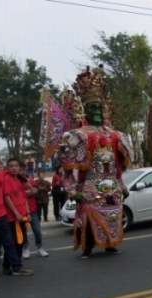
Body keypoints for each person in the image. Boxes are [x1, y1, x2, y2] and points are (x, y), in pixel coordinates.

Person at [57, 66, 131, 259]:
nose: (97, 110)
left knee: (113, 217)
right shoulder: (80, 135)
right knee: (89, 218)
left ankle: (109, 245)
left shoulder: (114, 135)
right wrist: (72, 190)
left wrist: (121, 185)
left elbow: (118, 166)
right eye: (92, 107)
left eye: (99, 107)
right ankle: (88, 247)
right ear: (85, 110)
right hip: (90, 186)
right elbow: (68, 168)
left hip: (111, 185)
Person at [0, 152, 34, 278]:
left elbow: (15, 173)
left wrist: (25, 181)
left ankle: (16, 266)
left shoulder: (1, 174)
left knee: (9, 243)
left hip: (2, 216)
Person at [3, 158, 31, 268]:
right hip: (12, 217)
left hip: (23, 216)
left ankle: (15, 264)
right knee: (14, 243)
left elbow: (24, 198)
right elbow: (7, 197)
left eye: (16, 166)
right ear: (7, 168)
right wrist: (16, 213)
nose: (14, 168)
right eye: (11, 166)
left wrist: (27, 213)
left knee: (21, 242)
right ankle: (11, 265)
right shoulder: (6, 179)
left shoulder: (20, 180)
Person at [19, 162, 49, 259]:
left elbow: (35, 191)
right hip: (21, 211)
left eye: (23, 169)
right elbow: (18, 194)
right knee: (23, 231)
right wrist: (28, 192)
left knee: (37, 230)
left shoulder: (30, 180)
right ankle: (25, 248)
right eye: (20, 169)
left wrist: (24, 193)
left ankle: (40, 247)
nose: (21, 171)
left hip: (33, 209)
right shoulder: (15, 181)